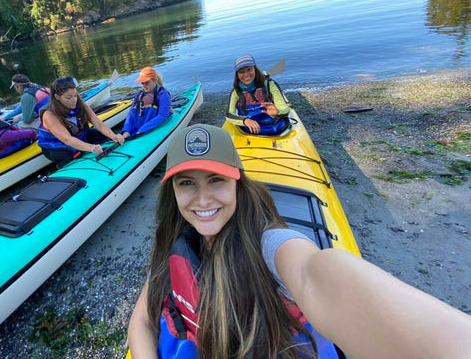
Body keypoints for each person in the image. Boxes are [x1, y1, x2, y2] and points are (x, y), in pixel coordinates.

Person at [127, 124, 471, 358]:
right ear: (172, 191)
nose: (202, 200)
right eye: (186, 183)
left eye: (216, 180)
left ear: (238, 183)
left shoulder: (270, 243)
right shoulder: (174, 240)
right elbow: (142, 317)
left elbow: (313, 274)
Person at [37, 77, 125, 164]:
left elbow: (99, 124)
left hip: (77, 135)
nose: (74, 100)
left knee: (103, 136)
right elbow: (67, 140)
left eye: (75, 95)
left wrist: (113, 136)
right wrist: (91, 147)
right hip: (56, 145)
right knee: (73, 152)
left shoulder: (80, 103)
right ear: (57, 97)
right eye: (68, 98)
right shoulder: (49, 114)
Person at [225, 54, 291, 135]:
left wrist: (277, 112)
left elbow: (285, 109)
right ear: (237, 75)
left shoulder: (270, 85)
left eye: (249, 69)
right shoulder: (236, 92)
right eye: (241, 72)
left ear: (255, 69)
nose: (246, 75)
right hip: (247, 128)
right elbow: (228, 114)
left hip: (274, 125)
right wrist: (245, 120)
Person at [121, 66, 172, 138]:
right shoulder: (139, 95)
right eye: (142, 83)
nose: (144, 86)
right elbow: (131, 115)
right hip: (137, 132)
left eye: (147, 82)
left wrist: (141, 130)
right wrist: (126, 131)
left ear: (155, 80)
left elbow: (162, 116)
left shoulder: (163, 95)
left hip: (147, 131)